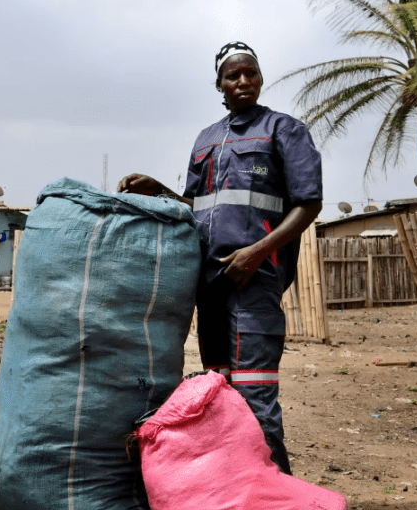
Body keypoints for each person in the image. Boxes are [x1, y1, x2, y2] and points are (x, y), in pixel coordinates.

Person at [118, 41, 322, 475]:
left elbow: (309, 205)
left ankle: (277, 498)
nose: (243, 81)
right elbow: (197, 207)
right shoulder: (206, 139)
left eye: (251, 72)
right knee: (220, 390)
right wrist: (159, 190)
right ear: (220, 85)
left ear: (261, 78)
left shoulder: (284, 130)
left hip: (255, 280)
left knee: (255, 393)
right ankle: (233, 491)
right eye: (234, 76)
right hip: (208, 284)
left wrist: (257, 252)